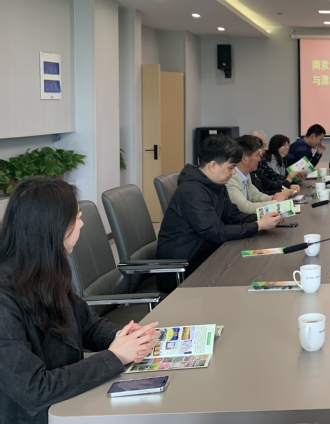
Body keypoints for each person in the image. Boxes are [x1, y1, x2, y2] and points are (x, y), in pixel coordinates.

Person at [0, 178, 160, 423]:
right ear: (55, 228)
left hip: (69, 402)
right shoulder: (5, 299)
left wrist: (125, 337)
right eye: (77, 217)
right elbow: (34, 390)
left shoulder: (44, 269)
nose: (82, 223)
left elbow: (86, 324)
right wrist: (115, 357)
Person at [157, 135, 282, 290]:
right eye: (231, 167)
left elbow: (233, 216)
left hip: (207, 255)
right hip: (185, 269)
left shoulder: (216, 184)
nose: (234, 172)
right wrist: (258, 225)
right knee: (249, 276)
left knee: (255, 269)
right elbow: (215, 232)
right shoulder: (192, 191)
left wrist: (263, 218)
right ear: (213, 166)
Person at [226, 135, 292, 215]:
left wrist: (272, 198)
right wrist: (275, 202)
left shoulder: (246, 175)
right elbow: (245, 208)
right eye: (257, 155)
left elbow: (256, 196)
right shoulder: (230, 178)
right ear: (244, 159)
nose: (260, 159)